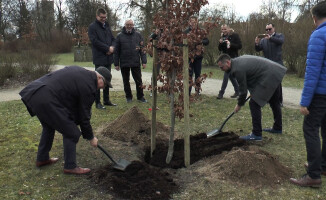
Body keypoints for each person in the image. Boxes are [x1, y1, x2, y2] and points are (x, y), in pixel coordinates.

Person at [19, 66, 112, 174]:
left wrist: (73, 120)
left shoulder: (82, 74)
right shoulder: (89, 85)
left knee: (49, 127)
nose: (103, 88)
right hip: (46, 98)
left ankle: (42, 159)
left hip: (35, 93)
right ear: (100, 78)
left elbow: (70, 100)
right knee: (72, 132)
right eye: (104, 85)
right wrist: (91, 137)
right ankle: (70, 166)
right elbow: (84, 116)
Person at [290, 1, 326, 188]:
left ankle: (313, 176)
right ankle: (322, 166)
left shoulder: (319, 35)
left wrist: (304, 102)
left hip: (321, 94)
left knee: (310, 129)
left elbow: (312, 72)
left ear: (314, 17)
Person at [216, 54, 287, 141]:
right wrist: (254, 91)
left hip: (269, 75)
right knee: (274, 101)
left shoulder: (237, 69)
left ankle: (256, 134)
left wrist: (239, 104)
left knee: (254, 104)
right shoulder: (237, 62)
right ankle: (277, 127)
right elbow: (253, 75)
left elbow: (243, 91)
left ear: (227, 62)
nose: (221, 70)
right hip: (275, 72)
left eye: (222, 67)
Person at [88, 8, 116, 109]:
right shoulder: (92, 27)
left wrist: (112, 48)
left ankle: (106, 100)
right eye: (102, 17)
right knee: (98, 80)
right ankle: (98, 102)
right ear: (97, 16)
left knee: (107, 79)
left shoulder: (107, 26)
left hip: (108, 58)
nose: (104, 19)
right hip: (99, 58)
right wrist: (107, 48)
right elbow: (94, 41)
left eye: (105, 17)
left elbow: (113, 39)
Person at [114, 19, 147, 103]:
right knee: (126, 81)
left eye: (131, 25)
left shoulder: (138, 35)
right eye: (127, 24)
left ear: (133, 25)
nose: (129, 26)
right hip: (124, 62)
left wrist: (144, 61)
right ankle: (128, 97)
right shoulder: (119, 36)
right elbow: (116, 51)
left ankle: (140, 97)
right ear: (125, 25)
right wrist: (116, 63)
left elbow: (142, 49)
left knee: (139, 80)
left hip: (135, 62)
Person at [255, 23, 284, 107]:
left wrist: (270, 38)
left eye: (270, 29)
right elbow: (258, 49)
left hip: (277, 64)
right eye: (266, 30)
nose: (268, 31)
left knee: (277, 83)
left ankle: (279, 100)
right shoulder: (264, 40)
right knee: (268, 83)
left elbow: (280, 42)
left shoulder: (279, 36)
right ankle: (270, 99)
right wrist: (256, 43)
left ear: (274, 28)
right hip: (267, 65)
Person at [184, 16, 209, 95]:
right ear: (189, 22)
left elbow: (207, 41)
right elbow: (182, 43)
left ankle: (197, 91)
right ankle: (188, 91)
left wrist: (200, 41)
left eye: (194, 22)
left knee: (198, 74)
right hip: (189, 56)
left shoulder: (201, 31)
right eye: (191, 21)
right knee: (189, 74)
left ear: (197, 22)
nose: (193, 23)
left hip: (198, 57)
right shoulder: (186, 31)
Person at [217, 24, 242, 99]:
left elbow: (239, 46)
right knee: (231, 76)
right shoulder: (222, 36)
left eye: (225, 29)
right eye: (222, 29)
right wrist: (220, 43)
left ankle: (221, 93)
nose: (224, 31)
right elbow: (220, 49)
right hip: (225, 58)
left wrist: (230, 44)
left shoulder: (234, 35)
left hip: (233, 58)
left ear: (228, 29)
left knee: (226, 75)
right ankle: (237, 91)